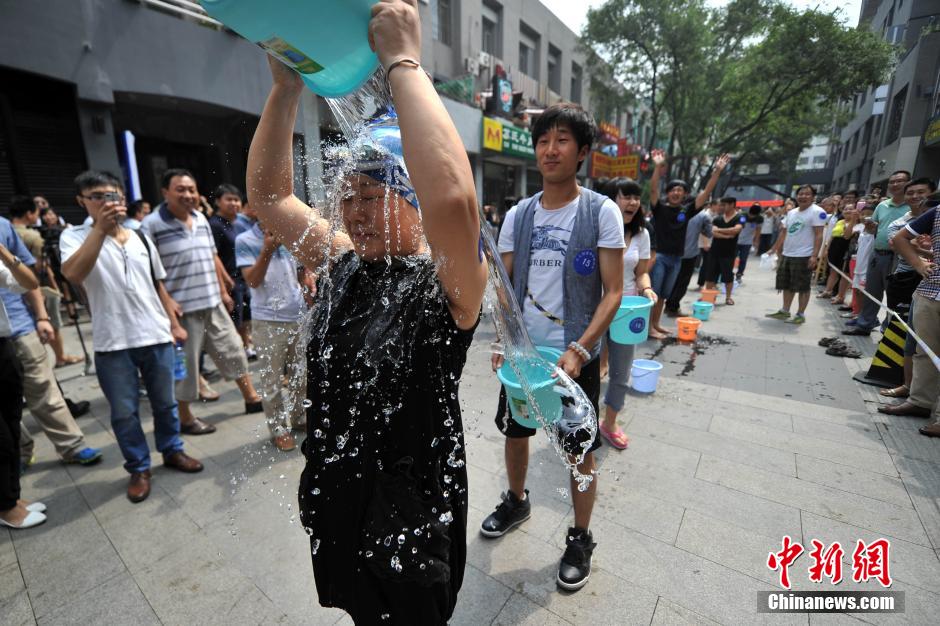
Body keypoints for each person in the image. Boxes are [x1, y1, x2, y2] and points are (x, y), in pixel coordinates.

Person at [248, 2, 487, 621]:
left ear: (414, 200)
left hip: (411, 518)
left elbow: (454, 201)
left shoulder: (448, 288)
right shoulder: (344, 261)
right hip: (341, 498)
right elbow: (270, 197)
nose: (353, 212)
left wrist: (404, 62)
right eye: (347, 194)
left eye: (374, 194)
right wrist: (285, 90)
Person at [483, 101, 624, 593]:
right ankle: (517, 500)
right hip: (525, 357)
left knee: (579, 450)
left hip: (573, 358)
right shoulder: (518, 215)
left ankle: (580, 538)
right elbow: (503, 286)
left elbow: (613, 291)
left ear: (581, 152)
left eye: (562, 140)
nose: (550, 149)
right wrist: (502, 337)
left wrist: (582, 349)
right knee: (515, 432)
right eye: (543, 140)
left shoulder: (601, 212)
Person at [61, 171, 204, 503]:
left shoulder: (140, 235)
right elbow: (74, 273)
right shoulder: (74, 236)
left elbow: (157, 283)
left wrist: (173, 323)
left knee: (166, 403)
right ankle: (139, 467)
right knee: (124, 413)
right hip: (112, 342)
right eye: (98, 197)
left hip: (155, 334)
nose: (108, 202)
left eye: (114, 195)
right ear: (82, 201)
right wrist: (100, 229)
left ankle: (172, 449)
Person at [141, 169, 264, 435]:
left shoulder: (199, 218)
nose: (188, 195)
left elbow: (211, 255)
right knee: (186, 368)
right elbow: (148, 271)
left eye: (192, 189)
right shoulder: (151, 225)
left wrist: (222, 289)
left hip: (212, 303)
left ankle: (251, 397)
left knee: (233, 351)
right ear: (165, 192)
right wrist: (167, 307)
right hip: (181, 311)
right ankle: (185, 419)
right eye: (181, 189)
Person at [0, 216, 101, 468]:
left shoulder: (2, 226)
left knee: (44, 391)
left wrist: (42, 316)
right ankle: (19, 452)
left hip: (20, 326)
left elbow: (28, 277)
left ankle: (72, 446)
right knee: (6, 405)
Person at [235, 222, 306, 452]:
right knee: (271, 381)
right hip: (267, 321)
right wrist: (267, 249)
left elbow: (300, 272)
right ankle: (278, 429)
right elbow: (252, 281)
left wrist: (307, 280)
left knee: (300, 376)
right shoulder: (245, 240)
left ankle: (299, 417)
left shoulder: (290, 231)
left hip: (297, 315)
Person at [647, 150, 730, 339]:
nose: (676, 192)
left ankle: (656, 324)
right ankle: (649, 327)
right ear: (668, 193)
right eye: (673, 189)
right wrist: (658, 167)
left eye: (680, 190)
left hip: (677, 258)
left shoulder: (687, 211)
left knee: (664, 295)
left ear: (685, 194)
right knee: (654, 293)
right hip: (659, 257)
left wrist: (717, 171)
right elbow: (653, 190)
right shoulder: (659, 208)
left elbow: (706, 193)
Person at [598, 177, 653, 450]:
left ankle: (609, 423)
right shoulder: (595, 228)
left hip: (627, 311)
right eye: (626, 196)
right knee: (588, 368)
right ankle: (582, 418)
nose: (632, 202)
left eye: (636, 197)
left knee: (621, 372)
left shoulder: (642, 234)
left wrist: (647, 288)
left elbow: (641, 272)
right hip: (595, 309)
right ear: (611, 199)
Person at [880, 192, 940, 430]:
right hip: (930, 291)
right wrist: (918, 263)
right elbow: (899, 238)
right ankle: (919, 401)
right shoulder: (936, 213)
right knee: (924, 351)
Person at [0, 241, 47, 529]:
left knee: (12, 422)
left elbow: (29, 282)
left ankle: (12, 498)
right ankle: (4, 507)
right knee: (1, 438)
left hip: (2, 346)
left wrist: (5, 254)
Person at [8, 196, 83, 368]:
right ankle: (60, 356)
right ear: (29, 213)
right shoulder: (33, 236)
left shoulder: (7, 232)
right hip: (37, 287)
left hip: (14, 289)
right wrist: (55, 287)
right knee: (51, 323)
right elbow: (41, 266)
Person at [844, 170, 911, 336]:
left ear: (908, 183)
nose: (895, 184)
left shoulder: (912, 206)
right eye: (892, 182)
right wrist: (870, 226)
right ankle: (864, 324)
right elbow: (873, 228)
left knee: (894, 296)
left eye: (900, 181)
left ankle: (889, 334)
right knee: (872, 291)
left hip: (899, 257)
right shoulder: (882, 205)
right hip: (877, 254)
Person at [766, 185, 827, 324]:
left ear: (813, 197)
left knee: (803, 286)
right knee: (786, 284)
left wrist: (814, 256)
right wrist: (774, 249)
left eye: (807, 194)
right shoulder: (792, 212)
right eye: (800, 194)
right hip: (788, 253)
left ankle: (800, 314)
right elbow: (784, 232)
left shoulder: (817, 212)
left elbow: (819, 235)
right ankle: (785, 311)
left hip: (804, 255)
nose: (803, 196)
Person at [210, 184, 256, 360]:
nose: (234, 203)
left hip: (241, 278)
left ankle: (245, 347)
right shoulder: (215, 225)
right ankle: (235, 354)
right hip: (228, 280)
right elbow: (213, 255)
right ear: (217, 202)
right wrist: (224, 283)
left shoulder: (234, 224)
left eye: (236, 200)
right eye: (228, 199)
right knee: (233, 318)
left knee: (244, 316)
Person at [665, 200, 714, 317]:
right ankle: (673, 307)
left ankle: (668, 305)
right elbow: (708, 233)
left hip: (672, 252)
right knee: (682, 282)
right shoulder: (703, 216)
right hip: (689, 254)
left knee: (672, 280)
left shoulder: (676, 211)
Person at [704, 197, 743, 305]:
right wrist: (727, 236)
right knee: (710, 275)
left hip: (729, 252)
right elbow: (713, 232)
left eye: (724, 205)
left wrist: (720, 230)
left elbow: (736, 230)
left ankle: (728, 297)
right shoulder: (718, 218)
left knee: (728, 276)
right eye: (721, 205)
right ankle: (708, 297)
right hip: (715, 251)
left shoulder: (740, 217)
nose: (721, 207)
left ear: (732, 205)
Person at [735, 203, 763, 282]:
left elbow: (758, 230)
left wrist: (756, 241)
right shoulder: (742, 215)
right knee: (731, 257)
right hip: (736, 241)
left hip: (747, 242)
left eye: (754, 216)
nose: (752, 217)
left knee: (743, 259)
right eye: (751, 215)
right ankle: (727, 273)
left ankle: (739, 274)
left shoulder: (759, 219)